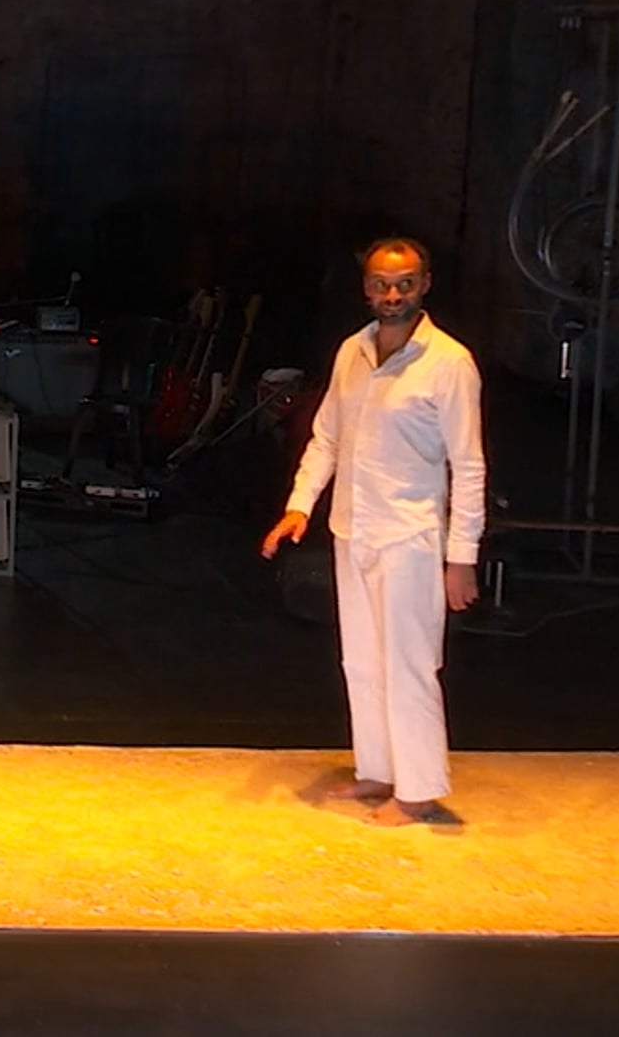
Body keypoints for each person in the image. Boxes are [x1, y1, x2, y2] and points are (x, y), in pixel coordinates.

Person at [261, 236, 485, 827]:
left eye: (405, 283)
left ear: (425, 284)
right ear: (366, 288)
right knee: (361, 660)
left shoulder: (449, 363)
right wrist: (299, 505)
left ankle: (418, 790)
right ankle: (379, 771)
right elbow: (327, 438)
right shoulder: (352, 352)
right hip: (352, 527)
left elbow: (468, 465)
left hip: (410, 536)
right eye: (382, 284)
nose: (393, 295)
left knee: (409, 663)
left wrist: (460, 557)